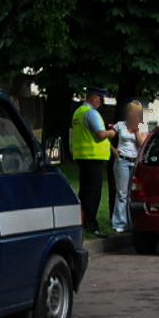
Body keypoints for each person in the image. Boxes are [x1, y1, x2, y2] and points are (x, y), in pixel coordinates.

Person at [71, 87, 116, 236]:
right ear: (94, 98)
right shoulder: (91, 113)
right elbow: (101, 134)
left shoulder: (78, 112)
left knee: (84, 192)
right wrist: (113, 132)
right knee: (92, 193)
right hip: (93, 158)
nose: (101, 103)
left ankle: (81, 221)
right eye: (100, 99)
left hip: (82, 157)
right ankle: (91, 224)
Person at [110, 101, 147, 233]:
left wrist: (137, 132)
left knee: (133, 193)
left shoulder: (142, 126)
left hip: (135, 162)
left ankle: (131, 223)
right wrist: (113, 150)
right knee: (122, 193)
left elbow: (143, 145)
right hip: (122, 161)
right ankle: (119, 223)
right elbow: (106, 137)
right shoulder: (120, 125)